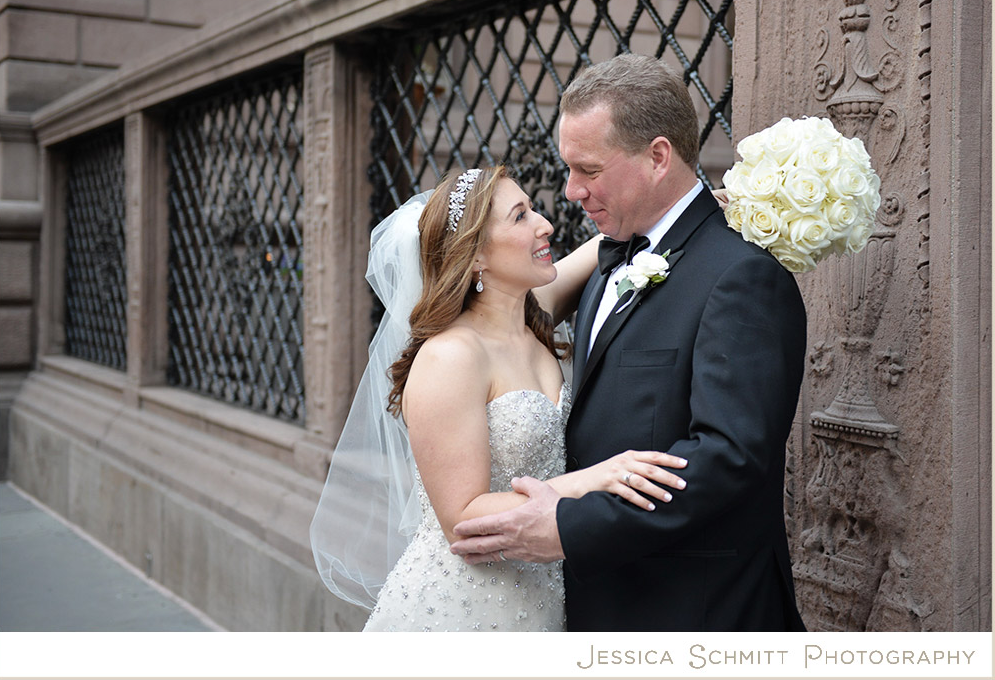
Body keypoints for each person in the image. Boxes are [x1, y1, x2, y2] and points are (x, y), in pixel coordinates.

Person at [450, 53, 808, 632]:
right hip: (591, 607)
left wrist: (570, 527)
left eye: (588, 169)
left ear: (658, 157)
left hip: (692, 615)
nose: (571, 191)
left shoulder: (742, 276)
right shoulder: (607, 262)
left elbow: (728, 459)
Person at [310, 165, 689, 631]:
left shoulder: (533, 316)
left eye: (533, 209)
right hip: (462, 610)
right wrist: (597, 479)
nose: (545, 224)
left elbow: (605, 244)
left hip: (542, 597)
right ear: (475, 256)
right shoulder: (452, 356)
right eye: (520, 216)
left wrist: (695, 202)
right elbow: (461, 517)